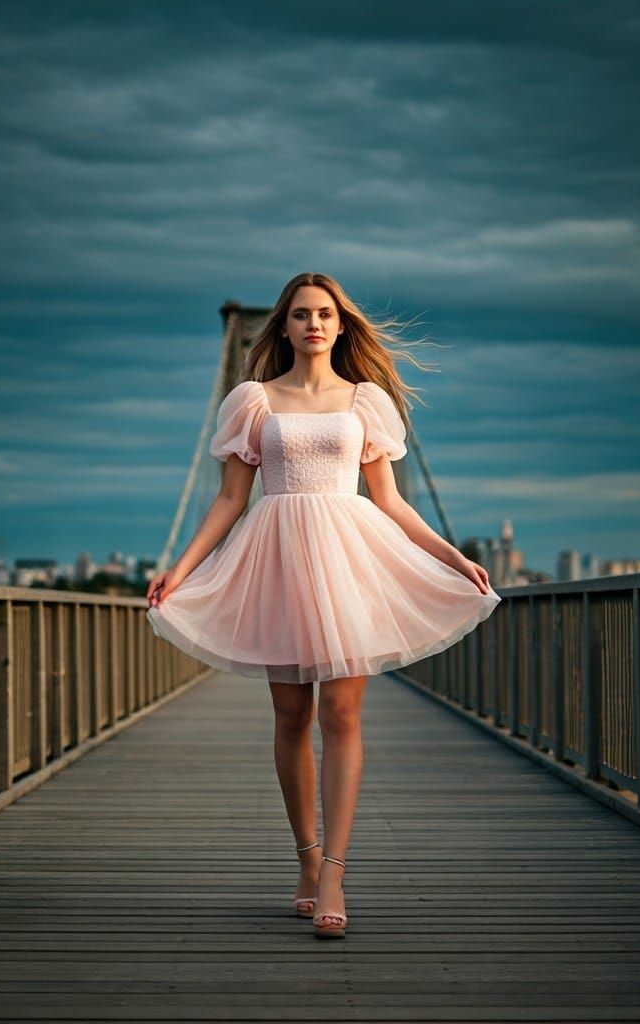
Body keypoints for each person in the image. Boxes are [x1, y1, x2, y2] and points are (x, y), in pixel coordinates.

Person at [146, 272, 501, 939]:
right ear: (281, 326)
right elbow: (230, 499)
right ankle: (306, 859)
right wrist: (179, 570)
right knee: (290, 715)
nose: (314, 324)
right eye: (302, 314)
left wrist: (452, 557)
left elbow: (389, 501)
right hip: (277, 559)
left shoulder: (365, 402)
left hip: (346, 561)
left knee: (341, 713)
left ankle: (335, 871)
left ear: (341, 326)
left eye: (326, 314)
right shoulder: (253, 400)